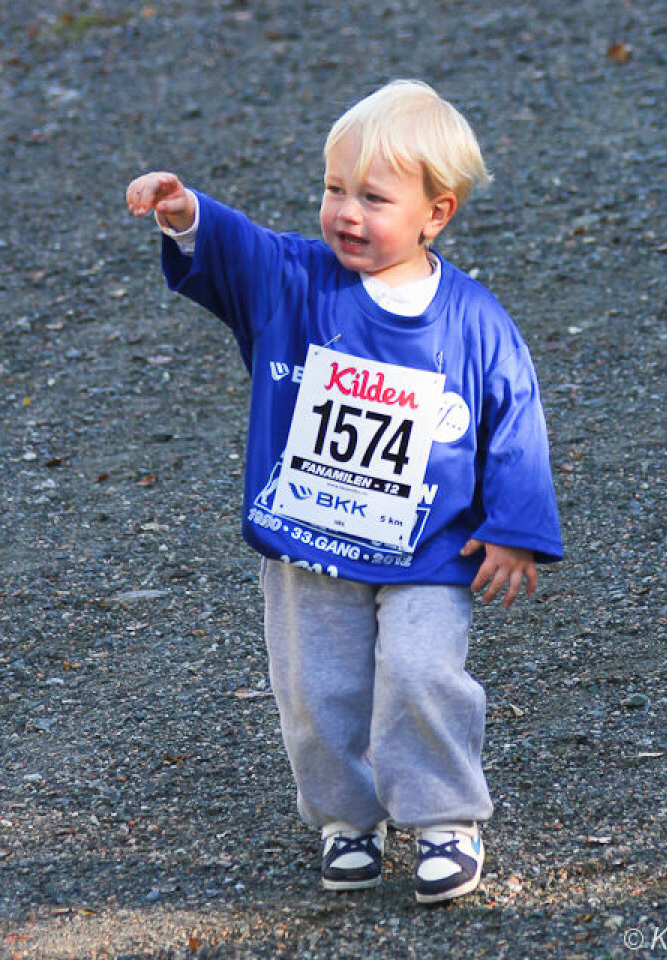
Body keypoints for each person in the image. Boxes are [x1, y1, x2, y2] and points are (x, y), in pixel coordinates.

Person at [126, 79, 562, 905]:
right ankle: (346, 820)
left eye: (374, 197)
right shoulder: (294, 281)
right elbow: (236, 246)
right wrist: (185, 214)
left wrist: (514, 526)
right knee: (317, 689)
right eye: (334, 190)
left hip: (430, 544)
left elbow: (515, 420)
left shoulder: (475, 322)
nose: (346, 214)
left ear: (437, 213)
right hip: (309, 538)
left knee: (422, 671)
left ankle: (443, 818)